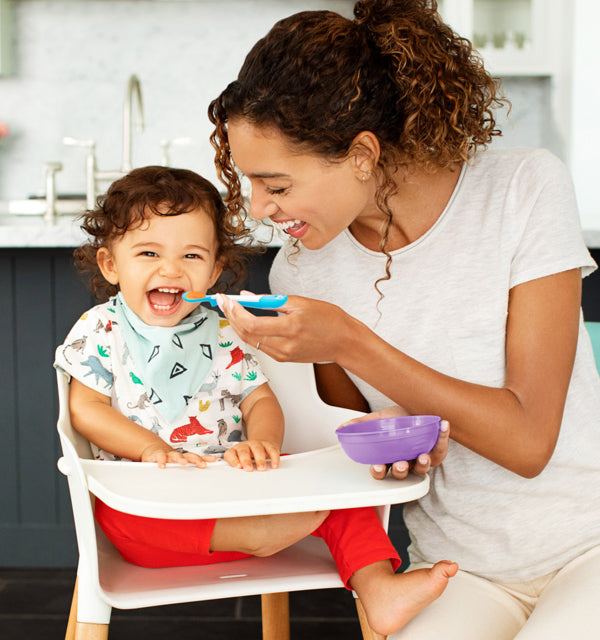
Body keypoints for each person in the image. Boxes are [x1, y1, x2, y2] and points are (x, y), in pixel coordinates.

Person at [207, 1, 600, 638]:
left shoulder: (523, 190)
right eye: (250, 184)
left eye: (275, 185)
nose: (259, 208)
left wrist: (349, 340)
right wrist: (397, 443)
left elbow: (528, 442)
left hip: (588, 547)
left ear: (361, 152)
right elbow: (367, 444)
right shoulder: (302, 272)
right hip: (457, 568)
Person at [54, 165, 458, 636]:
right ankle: (250, 535)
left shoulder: (224, 330)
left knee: (342, 499)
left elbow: (259, 401)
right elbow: (85, 411)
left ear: (215, 269)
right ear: (110, 265)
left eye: (191, 254)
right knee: (118, 517)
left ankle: (378, 585)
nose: (170, 269)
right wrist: (150, 449)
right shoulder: (100, 329)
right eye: (148, 253)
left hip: (240, 489)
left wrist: (263, 444)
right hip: (158, 515)